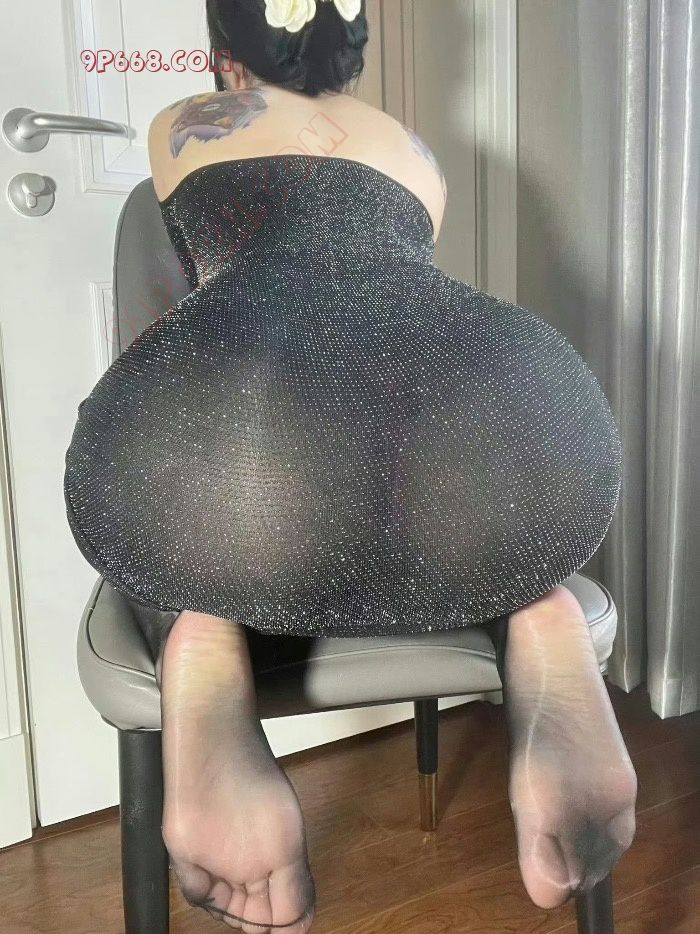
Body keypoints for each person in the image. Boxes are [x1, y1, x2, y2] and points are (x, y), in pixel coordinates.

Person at [63, 0, 637, 929]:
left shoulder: (190, 121)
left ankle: (202, 636)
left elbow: (175, 316)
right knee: (471, 519)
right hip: (522, 417)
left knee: (185, 485)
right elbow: (384, 349)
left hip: (259, 462)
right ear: (351, 51)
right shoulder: (413, 151)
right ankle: (541, 617)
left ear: (226, 55)